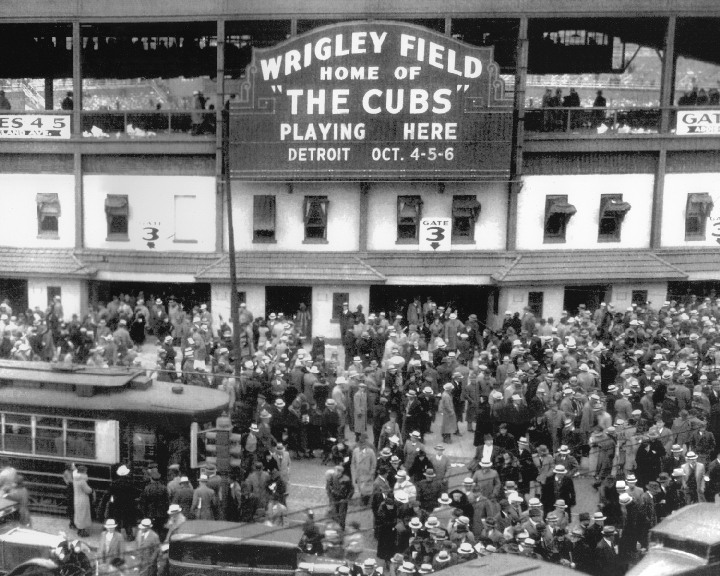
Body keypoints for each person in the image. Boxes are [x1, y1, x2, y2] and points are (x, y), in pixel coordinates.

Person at [73, 465, 93, 538]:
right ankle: (82, 532)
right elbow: (88, 490)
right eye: (85, 471)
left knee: (79, 515)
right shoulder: (82, 481)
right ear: (83, 472)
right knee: (83, 515)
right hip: (83, 499)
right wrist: (92, 490)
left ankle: (79, 529)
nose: (86, 472)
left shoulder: (75, 479)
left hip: (77, 499)